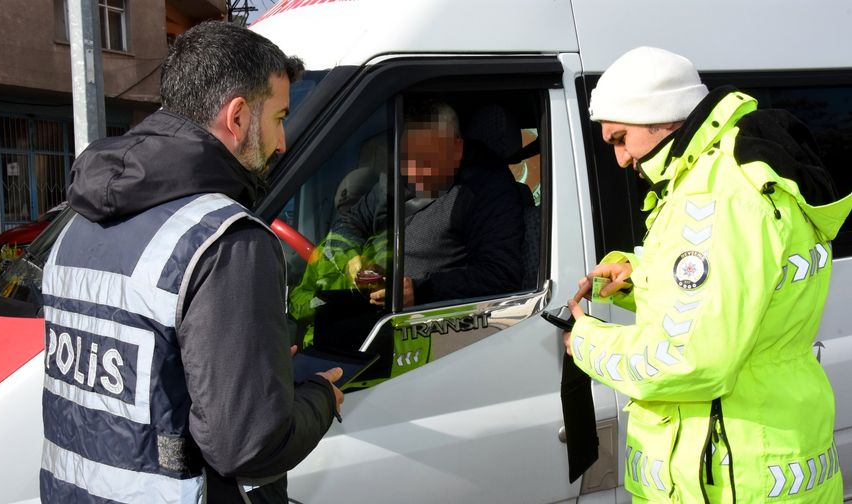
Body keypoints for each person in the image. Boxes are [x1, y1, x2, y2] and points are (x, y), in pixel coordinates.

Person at [40, 21, 343, 503]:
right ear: (238, 116)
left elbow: (143, 386)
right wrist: (320, 399)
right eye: (280, 117)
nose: (282, 142)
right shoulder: (225, 239)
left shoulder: (75, 224)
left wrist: (246, 367)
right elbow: (246, 446)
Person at [564, 46, 851, 503]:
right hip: (756, 455)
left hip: (734, 477)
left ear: (655, 115)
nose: (619, 158)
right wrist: (640, 278)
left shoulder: (717, 194)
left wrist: (586, 342)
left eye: (620, 139)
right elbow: (735, 291)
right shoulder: (724, 171)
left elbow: (689, 358)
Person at [328, 100, 525, 307]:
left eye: (426, 161)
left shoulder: (486, 191)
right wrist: (351, 258)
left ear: (457, 149)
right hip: (363, 305)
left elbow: (500, 274)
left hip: (423, 323)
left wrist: (421, 291)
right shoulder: (394, 181)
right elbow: (350, 223)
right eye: (407, 159)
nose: (412, 173)